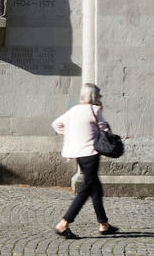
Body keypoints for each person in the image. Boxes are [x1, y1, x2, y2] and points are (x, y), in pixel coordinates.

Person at [50, 83, 118, 239]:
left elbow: (56, 124)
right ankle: (63, 224)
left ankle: (104, 224)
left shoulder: (74, 110)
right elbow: (105, 131)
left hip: (79, 154)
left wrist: (71, 134)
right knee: (86, 190)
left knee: (96, 189)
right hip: (91, 154)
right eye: (99, 95)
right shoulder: (95, 110)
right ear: (94, 96)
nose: (100, 98)